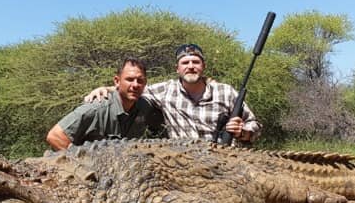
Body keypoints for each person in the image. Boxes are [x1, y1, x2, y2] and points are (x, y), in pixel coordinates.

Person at [84, 43, 261, 143]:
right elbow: (132, 88)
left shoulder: (226, 91)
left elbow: (255, 125)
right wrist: (105, 89)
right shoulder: (165, 90)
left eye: (195, 62)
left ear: (203, 66)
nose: (191, 66)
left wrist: (242, 132)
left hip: (224, 158)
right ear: (177, 68)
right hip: (182, 163)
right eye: (185, 63)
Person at [46, 58, 164, 151]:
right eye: (129, 79)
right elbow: (55, 136)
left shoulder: (145, 106)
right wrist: (83, 165)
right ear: (117, 81)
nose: (135, 85)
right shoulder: (97, 108)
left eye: (140, 81)